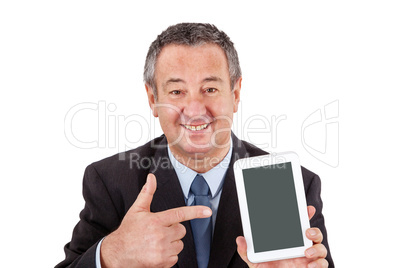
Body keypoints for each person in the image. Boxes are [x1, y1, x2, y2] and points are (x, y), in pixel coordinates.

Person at [56, 23, 334, 268]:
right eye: (176, 91)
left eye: (210, 89)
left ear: (235, 94)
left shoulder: (289, 184)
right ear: (152, 98)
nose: (195, 109)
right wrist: (113, 255)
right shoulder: (110, 183)